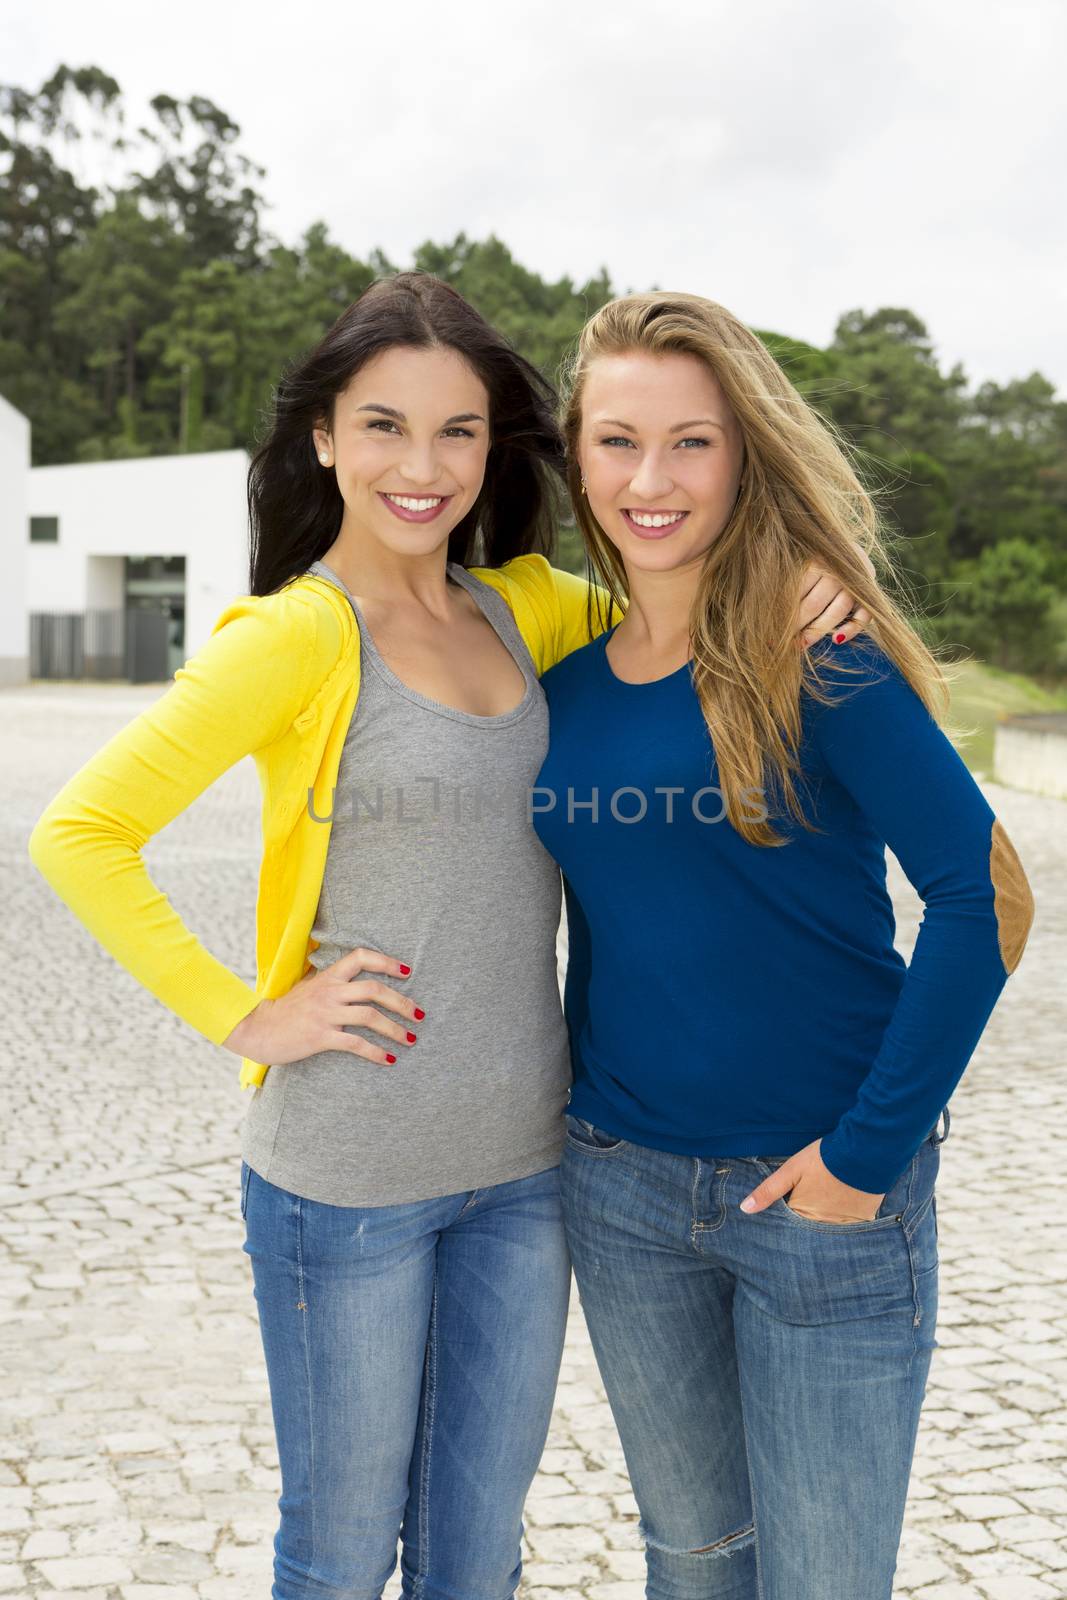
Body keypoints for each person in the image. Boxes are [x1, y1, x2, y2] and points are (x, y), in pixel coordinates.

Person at [27, 273, 872, 1600]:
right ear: (322, 436)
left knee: (477, 1553)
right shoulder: (295, 637)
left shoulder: (524, 608)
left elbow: (681, 603)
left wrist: (805, 578)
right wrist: (248, 1013)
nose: (420, 467)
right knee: (342, 1547)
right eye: (382, 426)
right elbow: (82, 832)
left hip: (525, 1172)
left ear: (496, 449)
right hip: (346, 1180)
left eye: (457, 432)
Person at [532, 289, 1036, 1600]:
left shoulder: (820, 657)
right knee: (693, 1565)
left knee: (820, 1581)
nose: (653, 479)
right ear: (576, 455)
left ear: (747, 450)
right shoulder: (564, 685)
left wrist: (866, 1160)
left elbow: (989, 899)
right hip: (622, 1189)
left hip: (825, 1198)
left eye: (693, 441)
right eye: (617, 441)